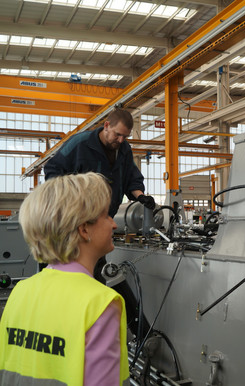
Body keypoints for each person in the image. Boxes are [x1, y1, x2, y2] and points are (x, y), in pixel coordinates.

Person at [0, 173, 129, 385]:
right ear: (84, 229)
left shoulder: (20, 291)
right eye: (106, 215)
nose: (114, 224)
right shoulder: (100, 303)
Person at [44, 108, 154, 338]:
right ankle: (64, 326)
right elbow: (53, 169)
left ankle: (120, 330)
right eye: (117, 134)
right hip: (77, 223)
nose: (121, 140)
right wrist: (70, 204)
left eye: (125, 136)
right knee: (75, 270)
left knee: (98, 271)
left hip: (101, 222)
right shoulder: (80, 143)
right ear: (106, 125)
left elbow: (131, 177)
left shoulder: (123, 149)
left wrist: (140, 196)